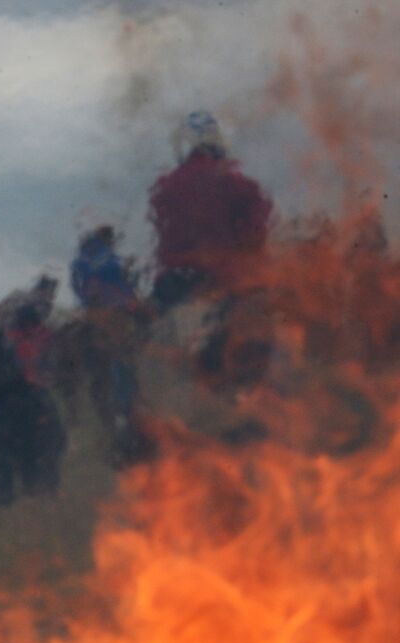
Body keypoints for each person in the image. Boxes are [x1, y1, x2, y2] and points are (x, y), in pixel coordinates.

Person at [148, 110, 272, 311]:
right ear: (218, 141)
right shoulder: (239, 184)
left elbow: (162, 235)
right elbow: (256, 235)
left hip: (173, 286)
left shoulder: (165, 187)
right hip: (226, 283)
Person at [0, 276, 66, 505]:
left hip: (10, 398)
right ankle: (40, 489)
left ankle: (6, 492)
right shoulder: (30, 334)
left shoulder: (4, 335)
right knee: (51, 439)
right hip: (25, 396)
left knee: (3, 448)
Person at [70, 226, 155, 467]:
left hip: (90, 312)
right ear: (107, 239)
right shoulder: (108, 259)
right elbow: (123, 286)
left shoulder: (80, 261)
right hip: (115, 313)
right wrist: (132, 275)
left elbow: (78, 288)